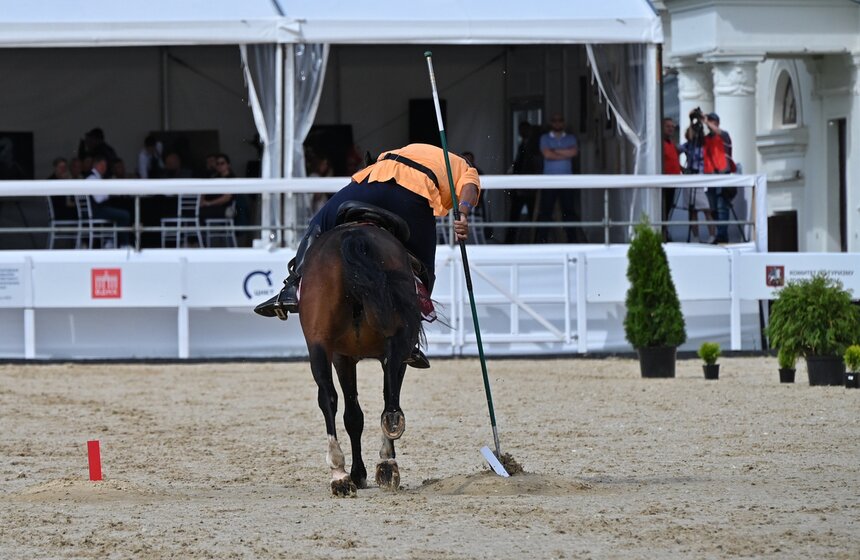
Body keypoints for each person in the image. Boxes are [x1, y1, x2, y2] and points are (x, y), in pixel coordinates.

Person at [254, 143, 481, 368]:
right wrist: (463, 214)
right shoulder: (465, 167)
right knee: (424, 267)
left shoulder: (418, 148)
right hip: (410, 196)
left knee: (317, 224)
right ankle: (410, 330)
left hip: (368, 183)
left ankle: (291, 288)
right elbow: (469, 189)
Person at [536, 113, 583, 243]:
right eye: (555, 120)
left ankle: (572, 241)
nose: (557, 123)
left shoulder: (571, 138)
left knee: (569, 211)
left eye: (560, 120)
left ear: (563, 122)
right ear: (551, 123)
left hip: (567, 180)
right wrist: (565, 153)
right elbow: (547, 155)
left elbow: (573, 152)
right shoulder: (544, 138)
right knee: (546, 211)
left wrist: (554, 150)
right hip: (549, 180)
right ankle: (542, 240)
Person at [679, 125, 717, 243]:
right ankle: (695, 236)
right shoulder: (687, 145)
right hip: (689, 179)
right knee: (693, 210)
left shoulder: (704, 144)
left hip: (701, 178)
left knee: (706, 208)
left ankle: (712, 235)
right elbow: (675, 151)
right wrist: (681, 169)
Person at [506, 121, 542, 244]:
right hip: (520, 185)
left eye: (523, 130)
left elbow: (532, 166)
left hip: (528, 186)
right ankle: (510, 241)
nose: (521, 133)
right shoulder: (523, 144)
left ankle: (536, 241)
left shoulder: (534, 146)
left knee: (531, 214)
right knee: (515, 215)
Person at [702, 112, 735, 243]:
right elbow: (691, 138)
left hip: (723, 174)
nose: (710, 124)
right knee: (713, 208)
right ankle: (717, 233)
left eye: (712, 122)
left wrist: (706, 122)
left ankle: (722, 234)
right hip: (710, 176)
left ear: (717, 123)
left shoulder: (724, 136)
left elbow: (718, 132)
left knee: (722, 206)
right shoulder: (706, 139)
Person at [87, 155, 132, 247]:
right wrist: (108, 193)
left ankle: (111, 240)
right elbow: (99, 199)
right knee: (124, 215)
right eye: (101, 165)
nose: (104, 168)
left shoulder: (97, 178)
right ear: (95, 165)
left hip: (99, 209)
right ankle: (123, 244)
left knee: (121, 212)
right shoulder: (92, 178)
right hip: (96, 211)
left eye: (105, 166)